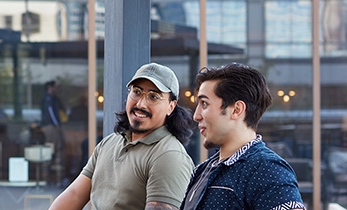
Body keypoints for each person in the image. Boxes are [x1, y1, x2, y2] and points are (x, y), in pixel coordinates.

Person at [50, 63, 195, 210]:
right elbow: (74, 195)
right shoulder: (108, 143)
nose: (141, 104)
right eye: (137, 92)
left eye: (153, 96)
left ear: (171, 106)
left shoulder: (168, 155)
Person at [180, 63, 305, 209]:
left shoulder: (267, 170)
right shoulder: (203, 170)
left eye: (204, 104)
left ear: (236, 110)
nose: (196, 116)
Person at [40, 80, 66, 184]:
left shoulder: (48, 98)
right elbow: (51, 112)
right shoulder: (49, 99)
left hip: (48, 126)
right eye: (55, 87)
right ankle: (53, 177)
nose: (56, 89)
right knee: (55, 149)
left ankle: (48, 177)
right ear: (50, 87)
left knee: (50, 150)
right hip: (51, 127)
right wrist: (57, 124)